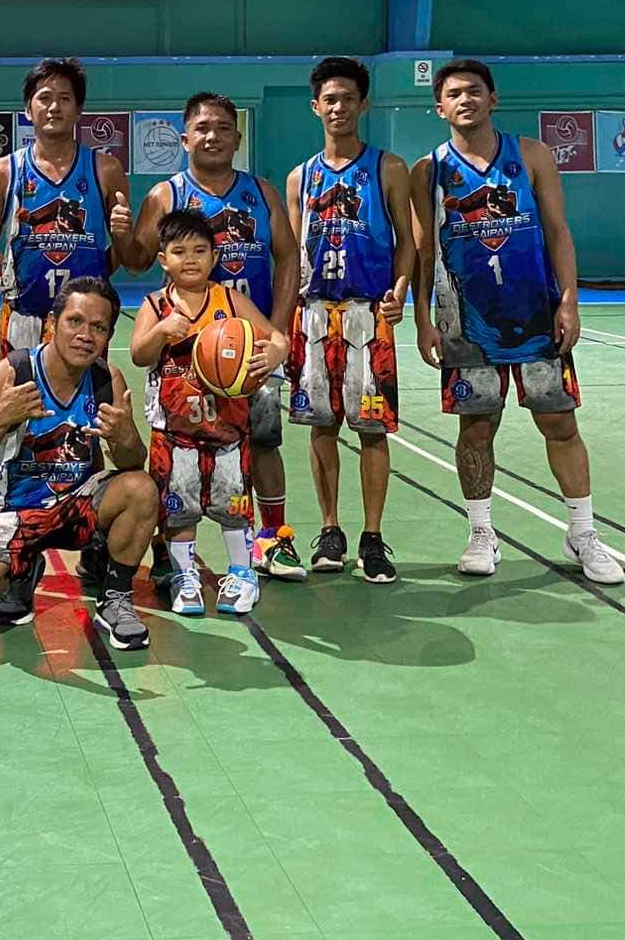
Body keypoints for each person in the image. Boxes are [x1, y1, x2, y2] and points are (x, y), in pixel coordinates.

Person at [408, 59, 624, 586]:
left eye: (475, 91)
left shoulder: (531, 155)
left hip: (535, 314)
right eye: (455, 93)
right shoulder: (428, 170)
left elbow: (558, 230)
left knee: (559, 422)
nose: (466, 100)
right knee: (476, 425)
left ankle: (583, 533)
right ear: (440, 108)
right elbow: (420, 248)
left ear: (493, 99)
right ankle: (481, 532)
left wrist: (569, 302)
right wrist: (421, 319)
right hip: (464, 319)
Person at [132, 92, 304, 582]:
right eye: (202, 128)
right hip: (185, 356)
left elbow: (288, 258)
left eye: (223, 128)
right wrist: (124, 231)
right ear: (185, 138)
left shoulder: (263, 193)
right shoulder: (165, 195)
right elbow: (138, 258)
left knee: (263, 441)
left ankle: (272, 540)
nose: (212, 136)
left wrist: (276, 332)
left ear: (237, 136)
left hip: (247, 348)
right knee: (174, 449)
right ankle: (169, 551)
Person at [0, 276, 157, 650]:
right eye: (75, 322)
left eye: (98, 327)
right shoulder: (12, 375)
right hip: (6, 510)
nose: (86, 335)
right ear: (52, 324)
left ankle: (116, 596)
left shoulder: (107, 379)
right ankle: (22, 569)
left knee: (141, 489)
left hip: (73, 507)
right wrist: (0, 417)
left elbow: (133, 462)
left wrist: (126, 437)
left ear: (107, 336)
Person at [285, 57, 413, 583]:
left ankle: (374, 537)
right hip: (314, 314)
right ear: (316, 107)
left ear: (364, 104)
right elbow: (292, 254)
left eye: (348, 98)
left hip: (367, 314)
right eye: (329, 99)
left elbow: (408, 240)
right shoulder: (301, 177)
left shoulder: (388, 167)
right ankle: (331, 529)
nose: (338, 107)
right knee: (321, 427)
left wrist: (401, 290)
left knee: (372, 431)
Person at [128, 209, 288, 615]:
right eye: (179, 251)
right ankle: (185, 575)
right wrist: (160, 332)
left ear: (215, 257)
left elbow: (276, 337)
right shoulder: (155, 305)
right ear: (163, 259)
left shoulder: (230, 300)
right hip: (174, 428)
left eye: (200, 250)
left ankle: (241, 570)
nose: (191, 259)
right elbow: (137, 354)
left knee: (233, 505)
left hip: (227, 428)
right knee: (180, 507)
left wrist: (272, 354)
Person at [0, 56, 135, 356]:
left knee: (86, 400)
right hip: (23, 317)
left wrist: (100, 268)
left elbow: (122, 250)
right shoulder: (3, 171)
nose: (54, 107)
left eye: (65, 98)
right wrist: (11, 281)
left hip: (85, 320)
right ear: (27, 109)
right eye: (45, 98)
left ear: (79, 109)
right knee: (21, 400)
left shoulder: (106, 169)